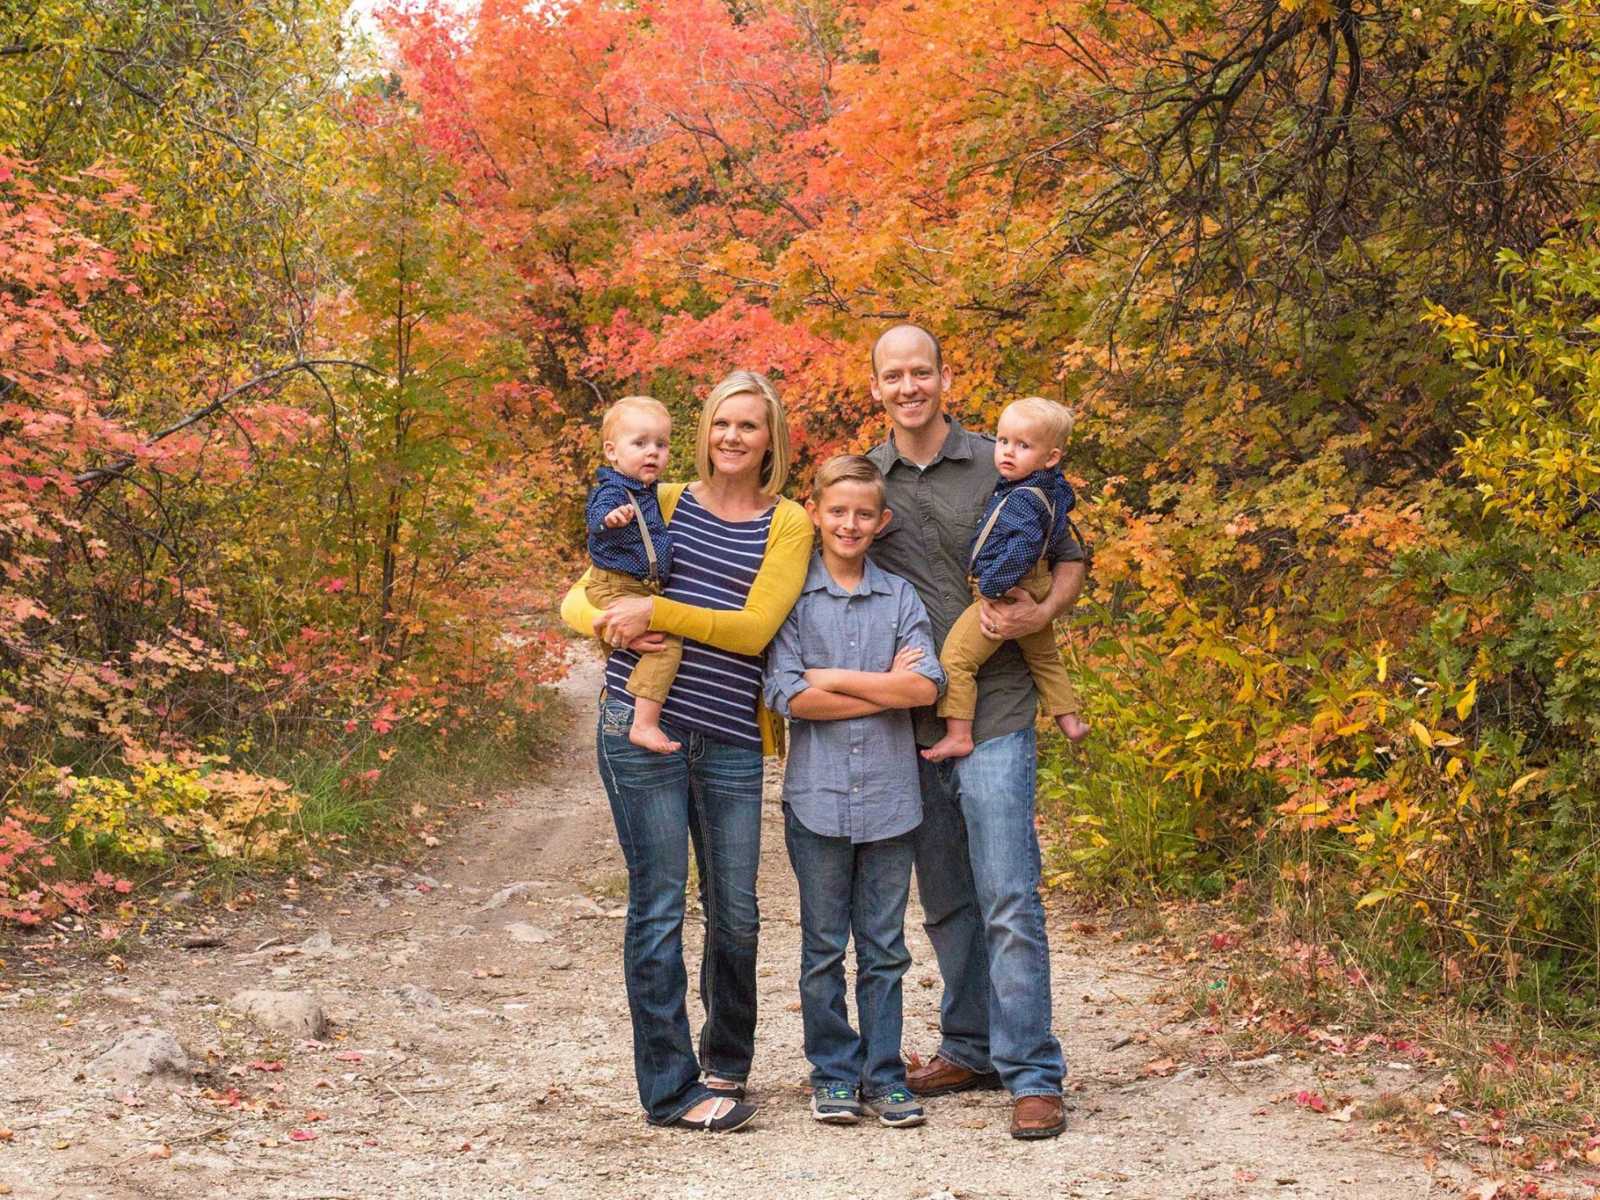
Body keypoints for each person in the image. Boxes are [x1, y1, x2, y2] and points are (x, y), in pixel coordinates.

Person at [559, 370, 812, 1131]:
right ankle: (671, 1090)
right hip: (638, 735)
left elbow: (755, 628)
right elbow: (578, 597)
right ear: (704, 431)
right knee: (660, 907)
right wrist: (613, 624)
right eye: (720, 423)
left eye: (750, 425)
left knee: (736, 913)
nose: (732, 437)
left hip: (732, 734)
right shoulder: (660, 498)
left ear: (772, 437)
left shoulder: (789, 521)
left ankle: (726, 1062)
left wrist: (657, 608)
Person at [864, 324, 1086, 1141]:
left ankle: (1034, 1071)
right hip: (909, 716)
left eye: (922, 371)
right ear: (877, 386)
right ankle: (970, 1046)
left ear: (944, 378)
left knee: (1008, 895)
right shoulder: (870, 478)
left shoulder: (1006, 460)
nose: (910, 385)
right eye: (895, 375)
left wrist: (1046, 609)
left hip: (995, 708)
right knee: (949, 898)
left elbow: (1070, 554)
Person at [762, 455, 945, 1129]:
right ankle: (833, 1073)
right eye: (837, 511)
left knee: (885, 948)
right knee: (821, 947)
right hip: (817, 798)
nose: (850, 523)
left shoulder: (899, 597)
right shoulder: (793, 599)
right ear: (816, 512)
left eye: (864, 513)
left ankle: (885, 1074)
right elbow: (790, 696)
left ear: (882, 521)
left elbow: (925, 687)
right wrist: (880, 691)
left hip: (893, 801)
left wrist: (832, 676)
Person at [921, 395, 1089, 763]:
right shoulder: (1049, 487)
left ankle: (958, 734)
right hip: (1037, 584)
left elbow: (1024, 546)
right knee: (1044, 657)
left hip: (1011, 588)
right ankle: (1069, 719)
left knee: (957, 659)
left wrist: (992, 590)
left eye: (1023, 446)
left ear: (1051, 457)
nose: (1007, 453)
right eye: (1003, 441)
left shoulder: (1023, 499)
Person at [583, 395, 681, 753]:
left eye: (661, 444)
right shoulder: (614, 489)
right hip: (618, 584)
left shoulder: (648, 492)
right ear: (612, 451)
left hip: (635, 585)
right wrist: (610, 520)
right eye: (639, 444)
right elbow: (597, 516)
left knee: (632, 642)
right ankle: (643, 723)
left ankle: (627, 696)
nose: (652, 452)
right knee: (666, 649)